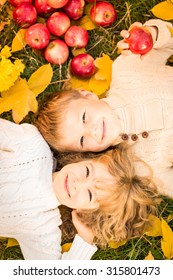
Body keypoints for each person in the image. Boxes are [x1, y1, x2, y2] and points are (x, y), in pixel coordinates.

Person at [35, 19, 173, 199]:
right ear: (86, 153)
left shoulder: (126, 71)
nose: (91, 131)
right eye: (82, 140)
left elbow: (168, 39)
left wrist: (152, 33)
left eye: (84, 118)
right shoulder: (139, 165)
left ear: (88, 95)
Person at [0, 118, 158, 259]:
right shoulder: (33, 146)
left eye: (89, 195)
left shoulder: (43, 228)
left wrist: (85, 241)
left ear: (88, 213)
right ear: (84, 158)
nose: (78, 183)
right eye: (87, 171)